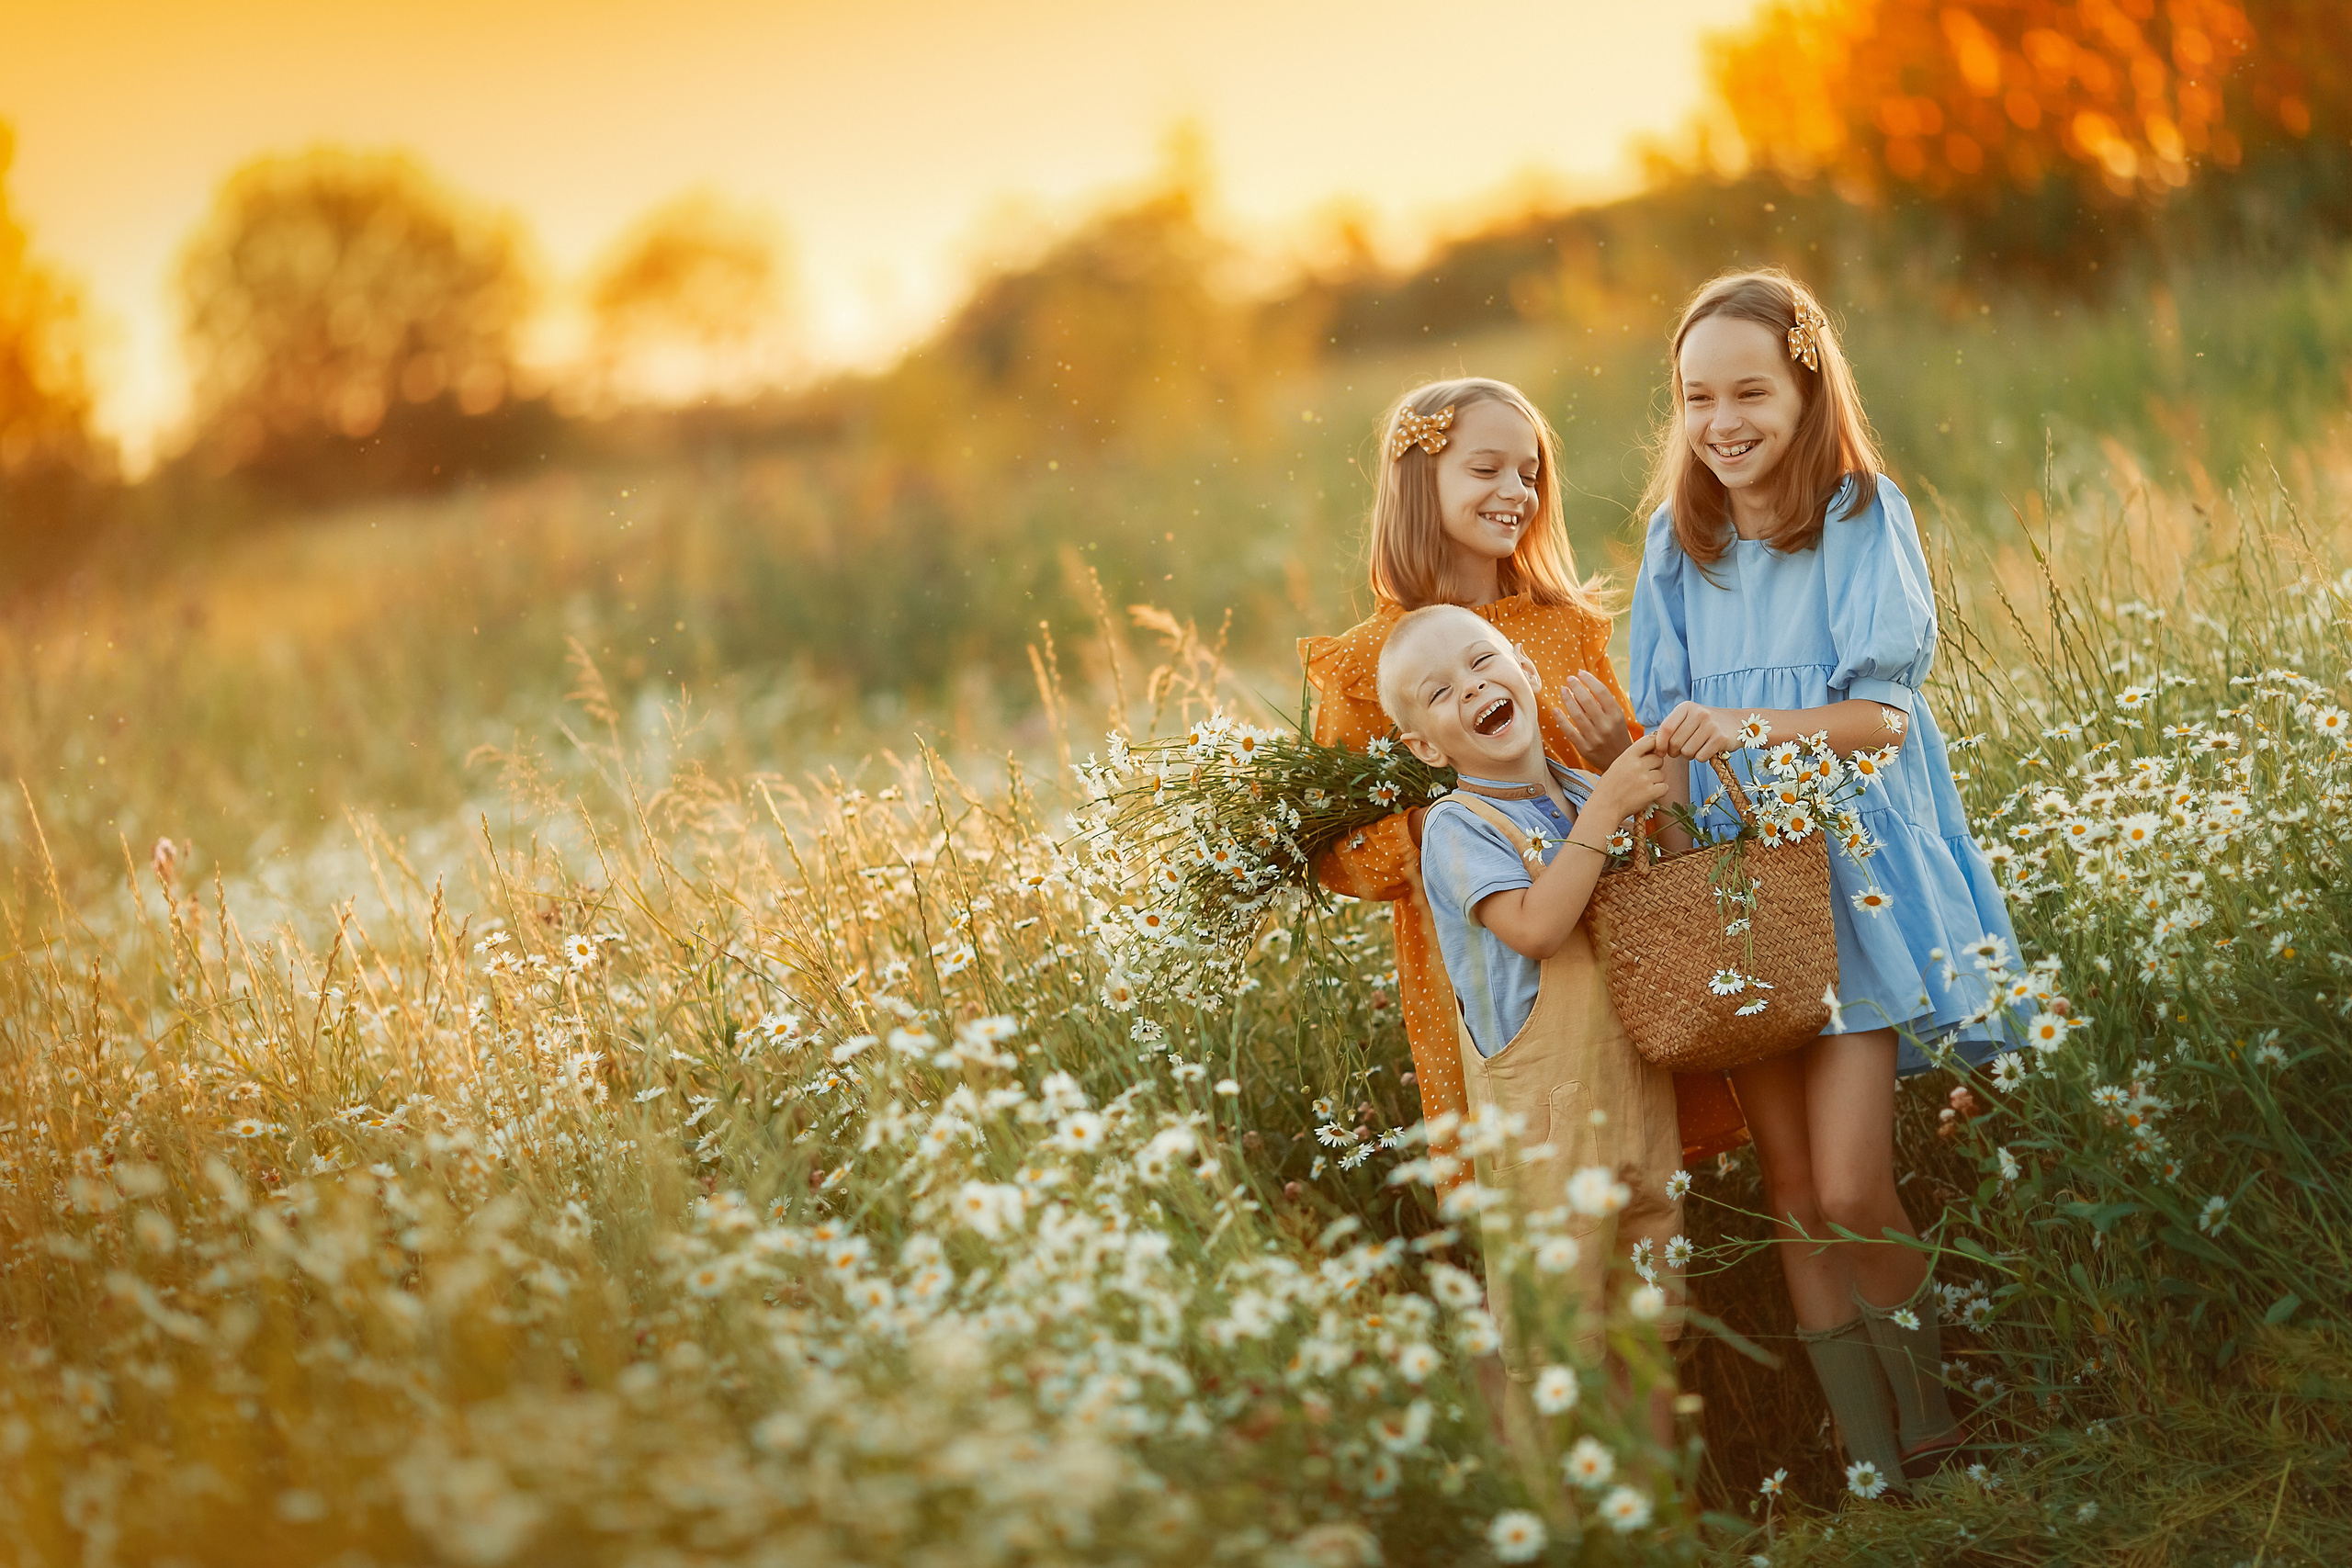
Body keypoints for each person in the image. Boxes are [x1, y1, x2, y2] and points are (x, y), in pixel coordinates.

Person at [1630, 269, 2014, 1491]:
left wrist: (1747, 732)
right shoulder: (1677, 542)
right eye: (1697, 395)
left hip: (1849, 874)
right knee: (1793, 1186)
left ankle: (1938, 1427)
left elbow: (1881, 716)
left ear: (1806, 388)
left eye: (1749, 389)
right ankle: (1872, 1465)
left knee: (1853, 1180)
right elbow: (1660, 717)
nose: (1722, 418)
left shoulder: (1856, 511)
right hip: (1740, 889)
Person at [1298, 378, 1748, 1168]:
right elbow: (1339, 851)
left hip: (1608, 937)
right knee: (1532, 1183)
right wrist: (1458, 829)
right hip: (1481, 969)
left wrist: (1618, 752)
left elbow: (1631, 789)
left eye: (1531, 471)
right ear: (1418, 482)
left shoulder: (1560, 624)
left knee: (1635, 1162)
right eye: (1487, 470)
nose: (1518, 492)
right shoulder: (1374, 662)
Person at [1377, 603, 1689, 1438]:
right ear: (1427, 747)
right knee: (1555, 1340)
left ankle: (1663, 1523)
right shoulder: (1459, 826)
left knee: (1650, 1325)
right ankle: (1557, 1527)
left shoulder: (1591, 787)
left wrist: (1617, 778)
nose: (1472, 685)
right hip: (1541, 1125)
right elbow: (1537, 927)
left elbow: (1677, 887)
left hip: (1638, 1093)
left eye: (1482, 662)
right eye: (1439, 692)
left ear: (1524, 665)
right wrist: (1604, 809)